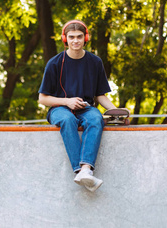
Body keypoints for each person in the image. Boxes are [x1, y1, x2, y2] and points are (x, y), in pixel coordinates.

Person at [38, 19, 118, 192]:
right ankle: (82, 171)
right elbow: (42, 99)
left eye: (79, 37)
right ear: (65, 39)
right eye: (72, 37)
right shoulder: (54, 63)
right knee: (67, 119)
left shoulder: (95, 62)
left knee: (96, 118)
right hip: (59, 108)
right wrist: (67, 101)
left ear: (86, 38)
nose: (76, 40)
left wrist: (115, 110)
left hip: (86, 108)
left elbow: (100, 95)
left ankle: (85, 170)